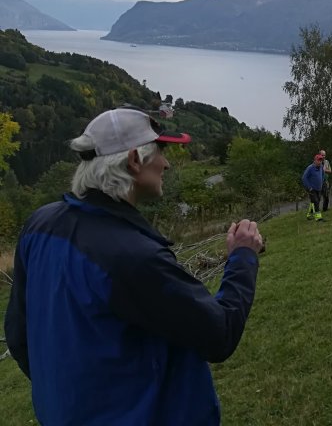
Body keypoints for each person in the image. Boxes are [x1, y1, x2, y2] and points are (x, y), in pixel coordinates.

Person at [4, 107, 264, 425]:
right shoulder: (132, 256)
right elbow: (219, 334)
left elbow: (18, 336)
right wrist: (243, 256)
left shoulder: (40, 225)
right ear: (134, 161)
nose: (166, 163)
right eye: (160, 152)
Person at [302, 153, 325, 222]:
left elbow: (323, 175)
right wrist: (309, 187)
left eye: (321, 160)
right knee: (316, 202)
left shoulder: (321, 167)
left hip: (319, 188)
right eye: (318, 160)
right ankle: (318, 218)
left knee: (314, 202)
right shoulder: (310, 168)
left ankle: (309, 215)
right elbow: (304, 178)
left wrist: (322, 182)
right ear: (314, 160)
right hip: (311, 189)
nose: (320, 162)